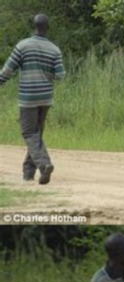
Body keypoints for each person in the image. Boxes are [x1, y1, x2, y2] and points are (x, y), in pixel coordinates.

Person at [0, 13, 65, 184]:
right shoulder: (54, 49)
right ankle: (28, 173)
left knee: (29, 132)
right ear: (47, 27)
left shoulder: (23, 46)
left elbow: (8, 70)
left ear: (34, 26)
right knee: (36, 134)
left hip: (28, 97)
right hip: (46, 98)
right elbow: (60, 75)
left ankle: (44, 164)